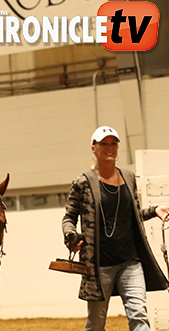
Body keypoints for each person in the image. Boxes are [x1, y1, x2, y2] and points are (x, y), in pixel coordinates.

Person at [62, 126, 169, 331]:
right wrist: (70, 234)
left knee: (139, 316)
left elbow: (132, 215)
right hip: (99, 265)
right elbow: (69, 217)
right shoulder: (82, 182)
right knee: (96, 324)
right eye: (104, 144)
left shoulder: (128, 177)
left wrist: (154, 210)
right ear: (94, 148)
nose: (110, 148)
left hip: (131, 261)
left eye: (113, 143)